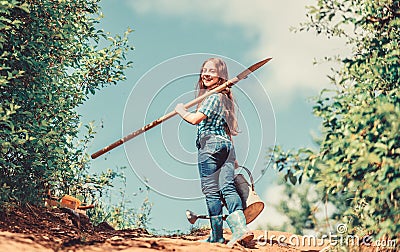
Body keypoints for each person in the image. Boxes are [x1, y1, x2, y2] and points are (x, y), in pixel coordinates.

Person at [175, 58, 253, 247]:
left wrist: (181, 111)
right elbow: (227, 130)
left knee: (212, 191)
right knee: (227, 187)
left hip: (210, 145)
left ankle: (217, 235)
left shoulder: (212, 96)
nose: (206, 74)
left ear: (221, 77)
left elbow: (195, 119)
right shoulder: (224, 98)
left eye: (211, 71)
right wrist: (232, 159)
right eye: (204, 70)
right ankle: (240, 229)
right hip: (226, 147)